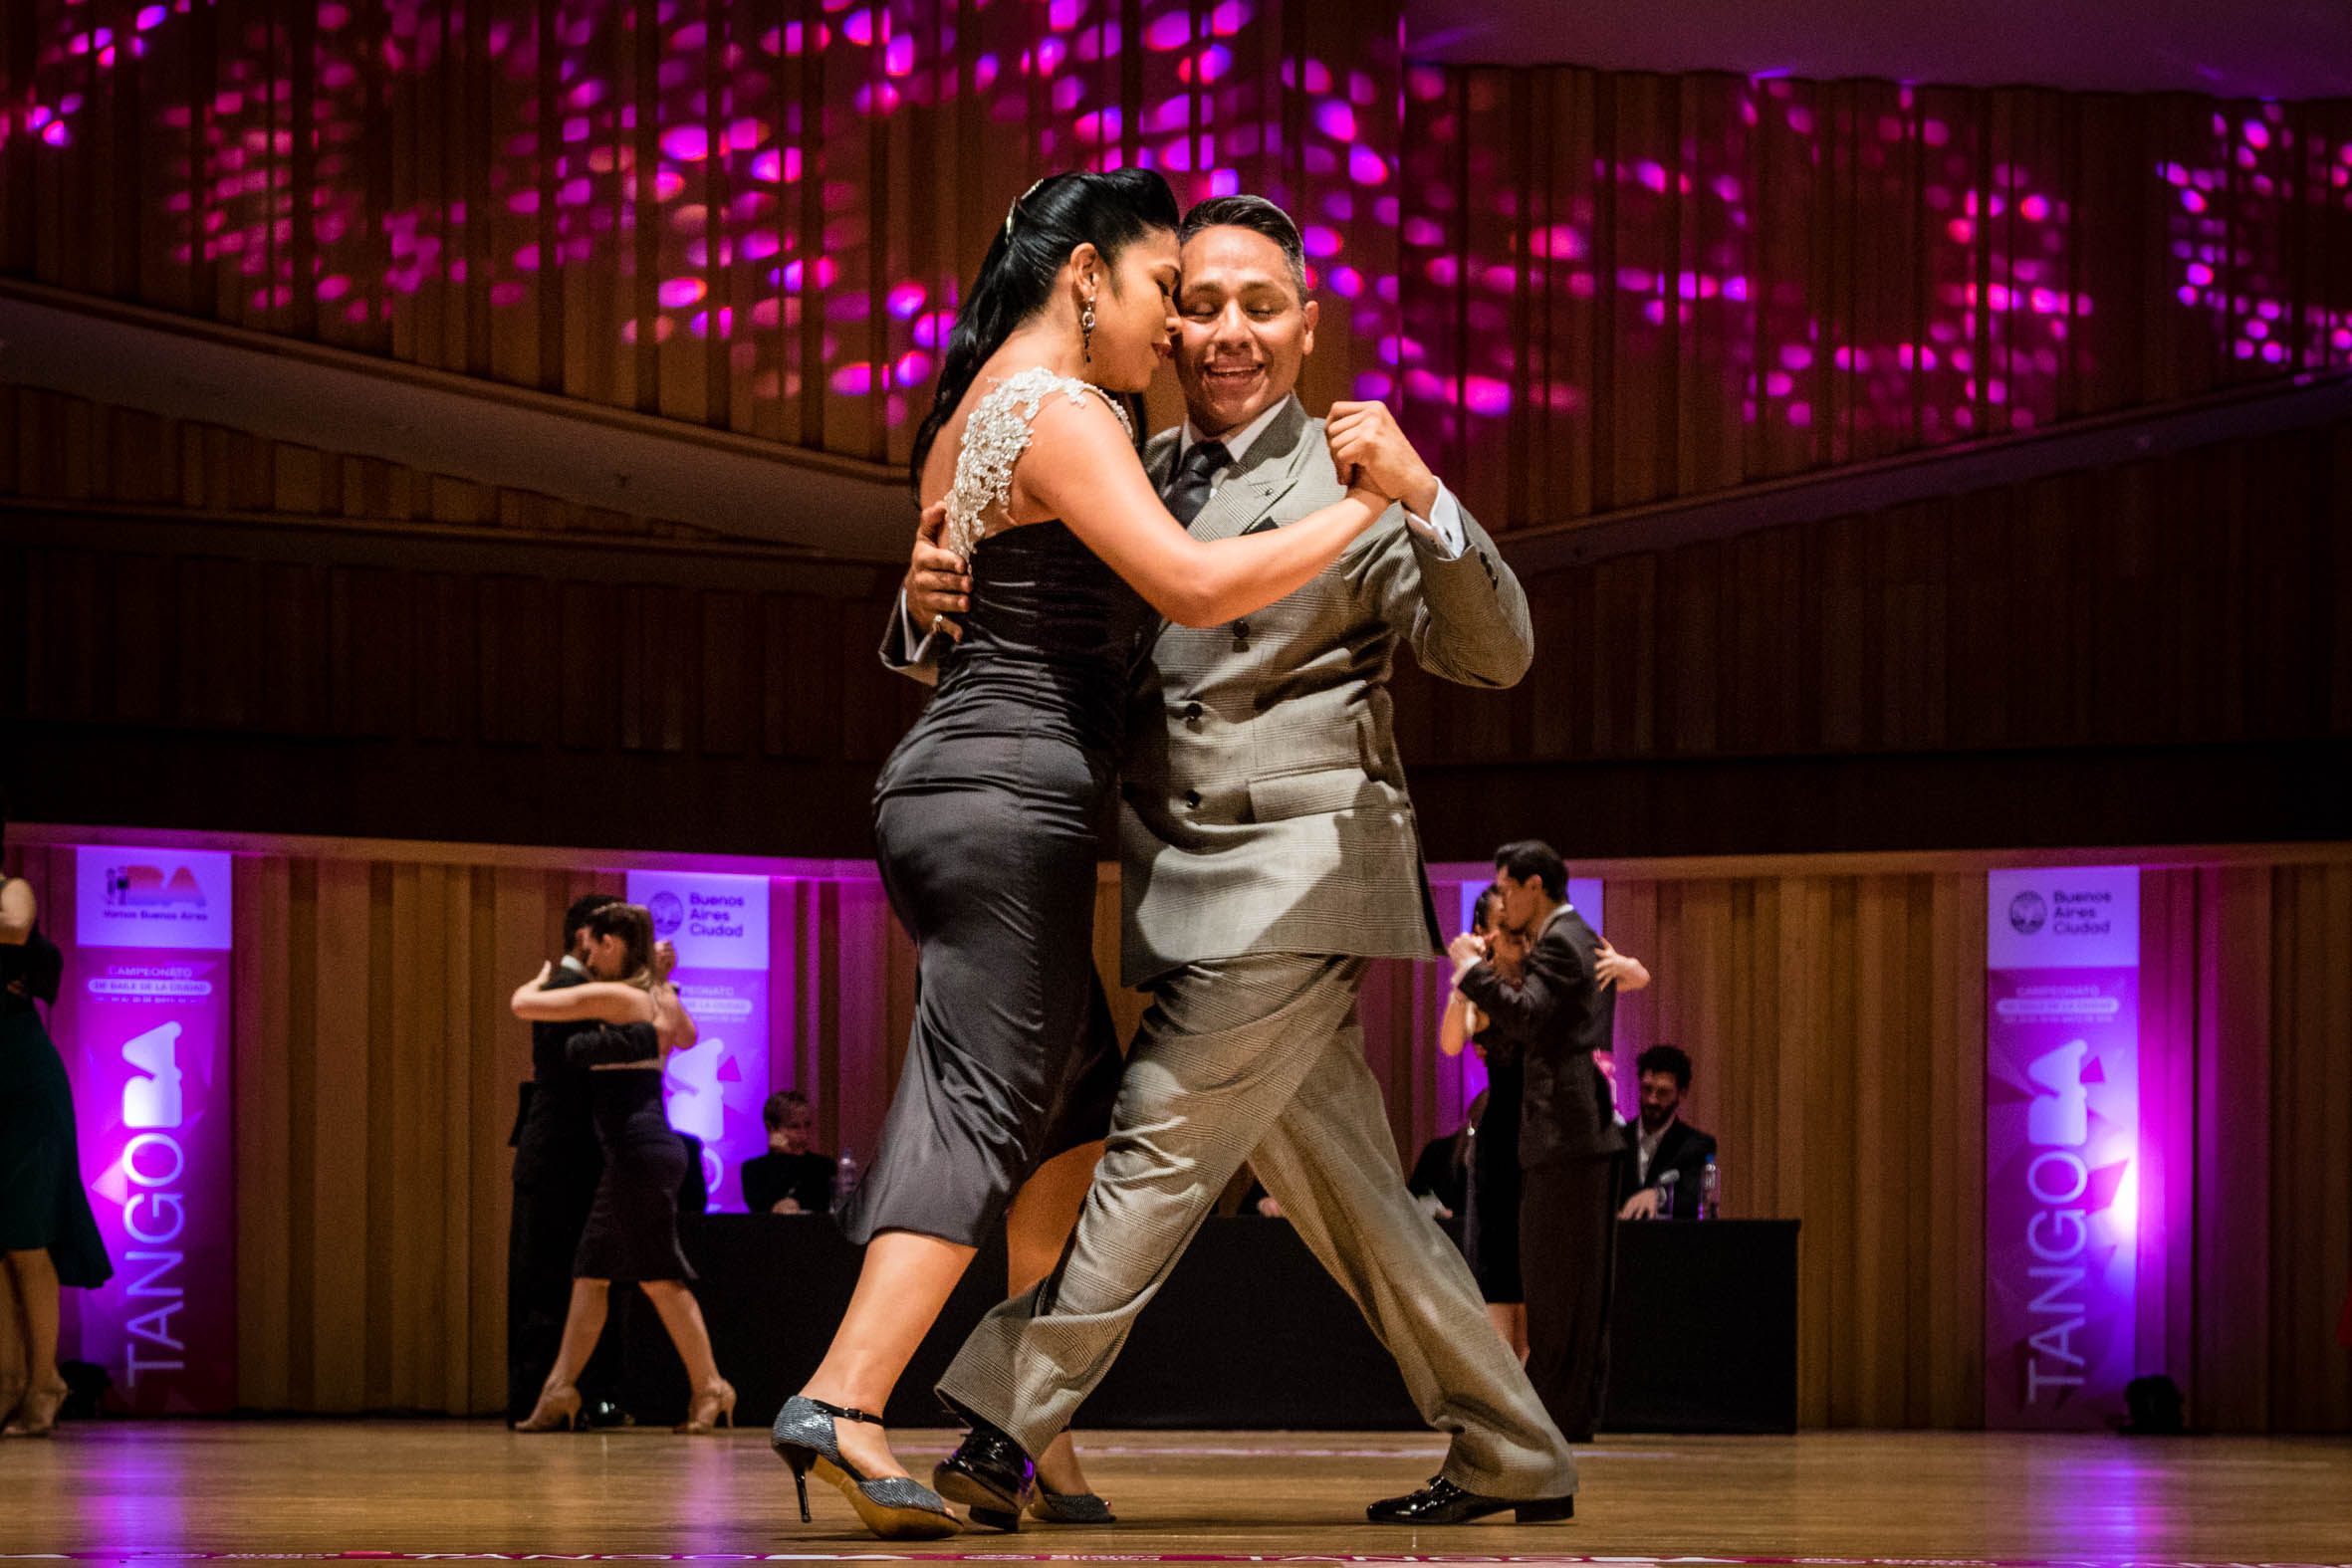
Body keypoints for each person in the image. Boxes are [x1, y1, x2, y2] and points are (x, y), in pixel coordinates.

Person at [901, 192, 1577, 1531]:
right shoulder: (1123, 460)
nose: (1226, 331)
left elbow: (1495, 655)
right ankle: (1513, 1445)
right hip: (1177, 881)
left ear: (1306, 325)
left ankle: (1004, 1422)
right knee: (1360, 1205)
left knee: (1150, 1149)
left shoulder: (1356, 472)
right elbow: (1038, 640)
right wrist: (925, 611)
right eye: (1198, 302)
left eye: (1258, 306)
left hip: (1297, 878)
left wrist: (1425, 494)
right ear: (1164, 326)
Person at [771, 168, 1407, 1543]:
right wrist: (1378, 506)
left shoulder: (975, 404)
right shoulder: (1059, 408)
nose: (1175, 326)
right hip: (1004, 795)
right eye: (1164, 290)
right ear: (1084, 277)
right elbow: (1190, 586)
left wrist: (913, 606)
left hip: (969, 783)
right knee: (984, 1100)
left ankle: (1029, 1438)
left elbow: (951, 612)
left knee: (1072, 1117)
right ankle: (842, 1396)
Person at [509, 902, 733, 1436]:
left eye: (594, 948)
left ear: (611, 944)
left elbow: (522, 1005)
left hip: (636, 1153)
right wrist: (661, 978)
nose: (588, 958)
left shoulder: (620, 997)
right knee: (601, 1275)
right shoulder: (656, 995)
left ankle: (710, 1387)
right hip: (650, 1150)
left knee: (652, 1278)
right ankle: (564, 1390)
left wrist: (541, 978)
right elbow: (685, 1037)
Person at [1452, 840, 1629, 1445]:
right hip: (1575, 1131)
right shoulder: (1578, 937)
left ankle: (1555, 1418)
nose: (1501, 902)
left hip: (1565, 1133)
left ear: (1534, 885)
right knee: (1570, 1287)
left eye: (1506, 888)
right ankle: (1565, 1415)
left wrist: (1470, 971)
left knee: (1557, 1288)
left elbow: (1526, 1016)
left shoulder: (1559, 940)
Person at [507, 891, 658, 1426]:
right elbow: (565, 1052)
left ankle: (569, 1395)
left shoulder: (577, 988)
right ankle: (550, 1396)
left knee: (580, 1276)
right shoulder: (570, 989)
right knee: (553, 1278)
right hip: (560, 1154)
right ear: (588, 939)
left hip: (575, 1153)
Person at [0, 839, 112, 1438]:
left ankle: (44, 1381)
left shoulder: (11, 891)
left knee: (25, 1236)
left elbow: (15, 927)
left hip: (22, 1085)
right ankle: (9, 1379)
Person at [1617, 1045, 1717, 1221]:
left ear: (1681, 1093)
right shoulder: (1616, 1140)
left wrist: (1657, 1196)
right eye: (1647, 1089)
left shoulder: (1696, 1145)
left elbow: (1695, 1200)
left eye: (1662, 1092)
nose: (1651, 1100)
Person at [741, 1090, 832, 1214]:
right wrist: (781, 1158)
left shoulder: (824, 1166)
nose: (803, 1134)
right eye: (794, 1126)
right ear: (771, 1128)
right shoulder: (753, 1170)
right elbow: (760, 1205)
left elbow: (820, 1203)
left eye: (807, 1125)